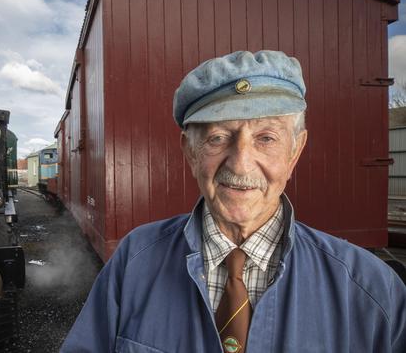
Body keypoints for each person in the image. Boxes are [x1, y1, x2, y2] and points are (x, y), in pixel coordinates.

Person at [61, 51, 406, 352]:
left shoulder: (371, 288)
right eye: (218, 137)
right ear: (190, 152)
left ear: (295, 151)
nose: (240, 163)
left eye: (266, 138)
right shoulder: (133, 262)